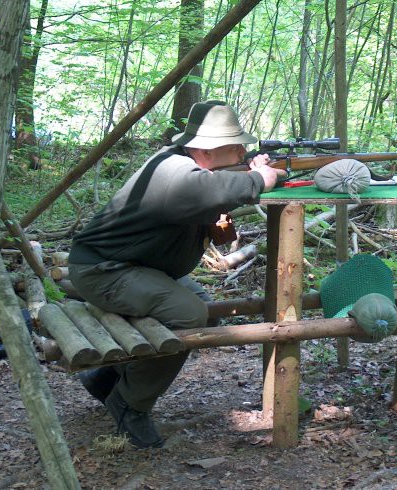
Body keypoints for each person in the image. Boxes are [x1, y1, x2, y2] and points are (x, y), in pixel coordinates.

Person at [68, 101, 285, 448]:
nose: (243, 150)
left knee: (200, 304)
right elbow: (218, 190)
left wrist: (254, 172)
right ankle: (129, 405)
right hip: (104, 270)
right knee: (188, 315)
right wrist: (261, 177)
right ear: (205, 148)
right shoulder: (174, 173)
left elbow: (217, 190)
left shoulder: (185, 167)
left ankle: (108, 378)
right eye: (235, 145)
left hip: (136, 267)